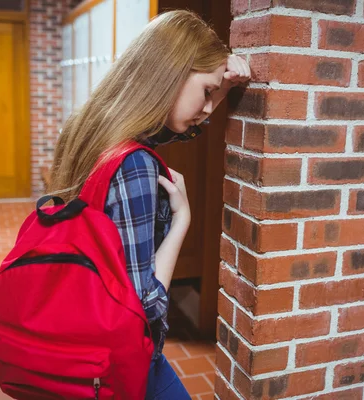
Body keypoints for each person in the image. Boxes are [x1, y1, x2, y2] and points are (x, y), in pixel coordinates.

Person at [47, 10, 251, 400]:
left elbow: (172, 128)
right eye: (206, 92)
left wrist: (219, 89)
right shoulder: (135, 165)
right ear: (170, 74)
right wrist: (181, 220)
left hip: (80, 336)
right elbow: (144, 304)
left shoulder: (91, 127)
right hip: (124, 359)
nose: (208, 108)